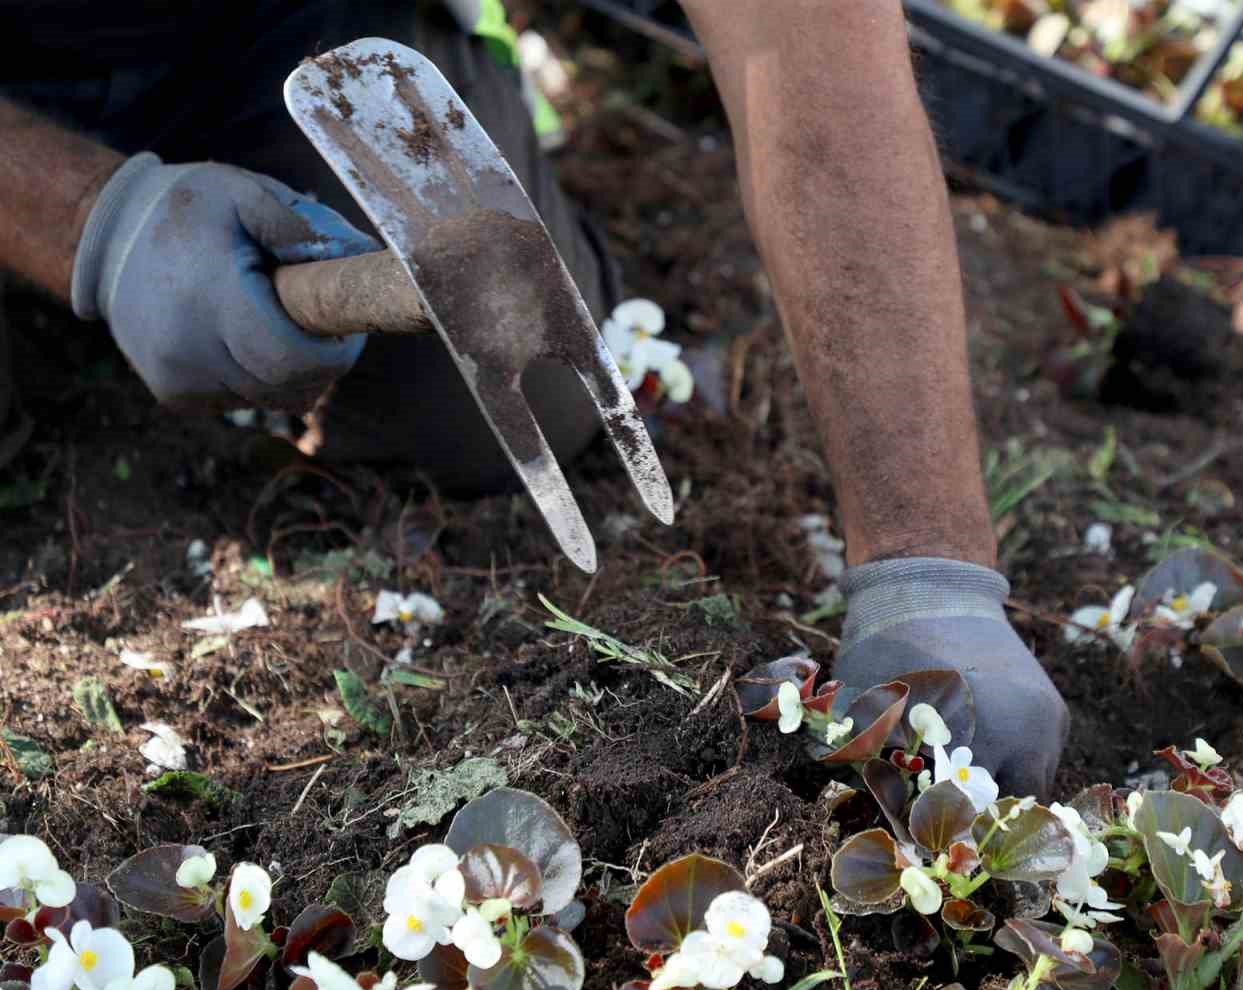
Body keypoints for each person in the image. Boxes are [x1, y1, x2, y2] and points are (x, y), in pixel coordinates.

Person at [0, 0, 1070, 796]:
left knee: (495, 411)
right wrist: (94, 225)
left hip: (293, 30)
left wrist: (926, 569)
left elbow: (801, 37)